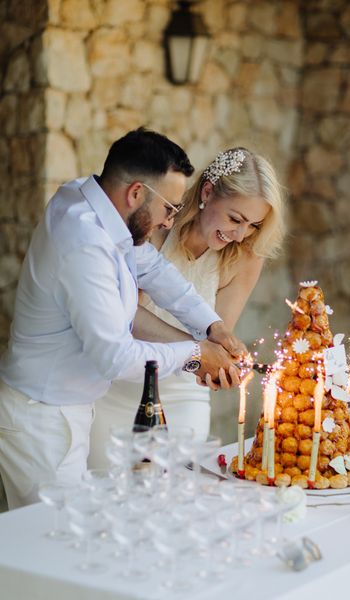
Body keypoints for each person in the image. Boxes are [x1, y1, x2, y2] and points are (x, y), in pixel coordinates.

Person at [0, 128, 246, 510]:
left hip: (64, 411)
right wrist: (194, 354)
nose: (170, 222)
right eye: (169, 209)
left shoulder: (92, 201)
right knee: (56, 550)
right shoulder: (84, 243)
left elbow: (154, 270)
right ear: (135, 193)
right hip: (43, 420)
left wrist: (213, 326)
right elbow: (115, 356)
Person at [89, 147, 285, 468]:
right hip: (117, 391)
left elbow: (217, 336)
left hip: (183, 396)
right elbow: (125, 316)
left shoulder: (247, 256)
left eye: (253, 225)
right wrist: (198, 351)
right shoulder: (154, 226)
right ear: (207, 192)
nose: (240, 234)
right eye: (235, 218)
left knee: (176, 500)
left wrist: (220, 364)